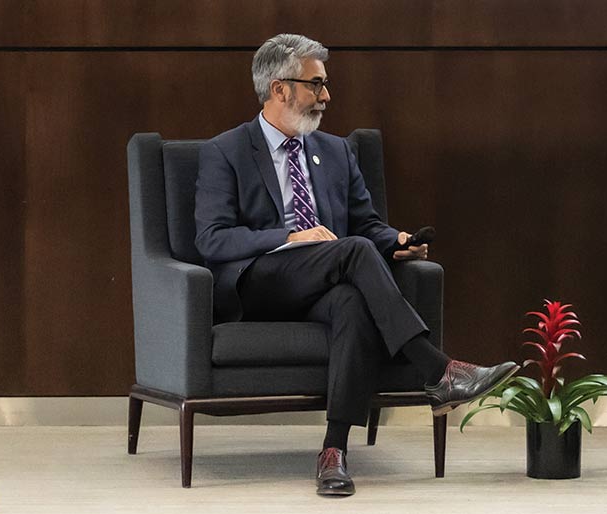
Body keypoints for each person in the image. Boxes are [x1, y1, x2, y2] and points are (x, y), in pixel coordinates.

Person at [195, 34, 519, 497]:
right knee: (352, 252)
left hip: (329, 277)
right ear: (279, 89)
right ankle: (439, 371)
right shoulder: (225, 151)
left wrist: (397, 242)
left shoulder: (336, 151)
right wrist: (290, 236)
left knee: (350, 298)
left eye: (325, 85)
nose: (326, 96)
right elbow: (212, 238)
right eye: (316, 84)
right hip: (259, 281)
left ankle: (333, 452)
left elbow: (366, 225)